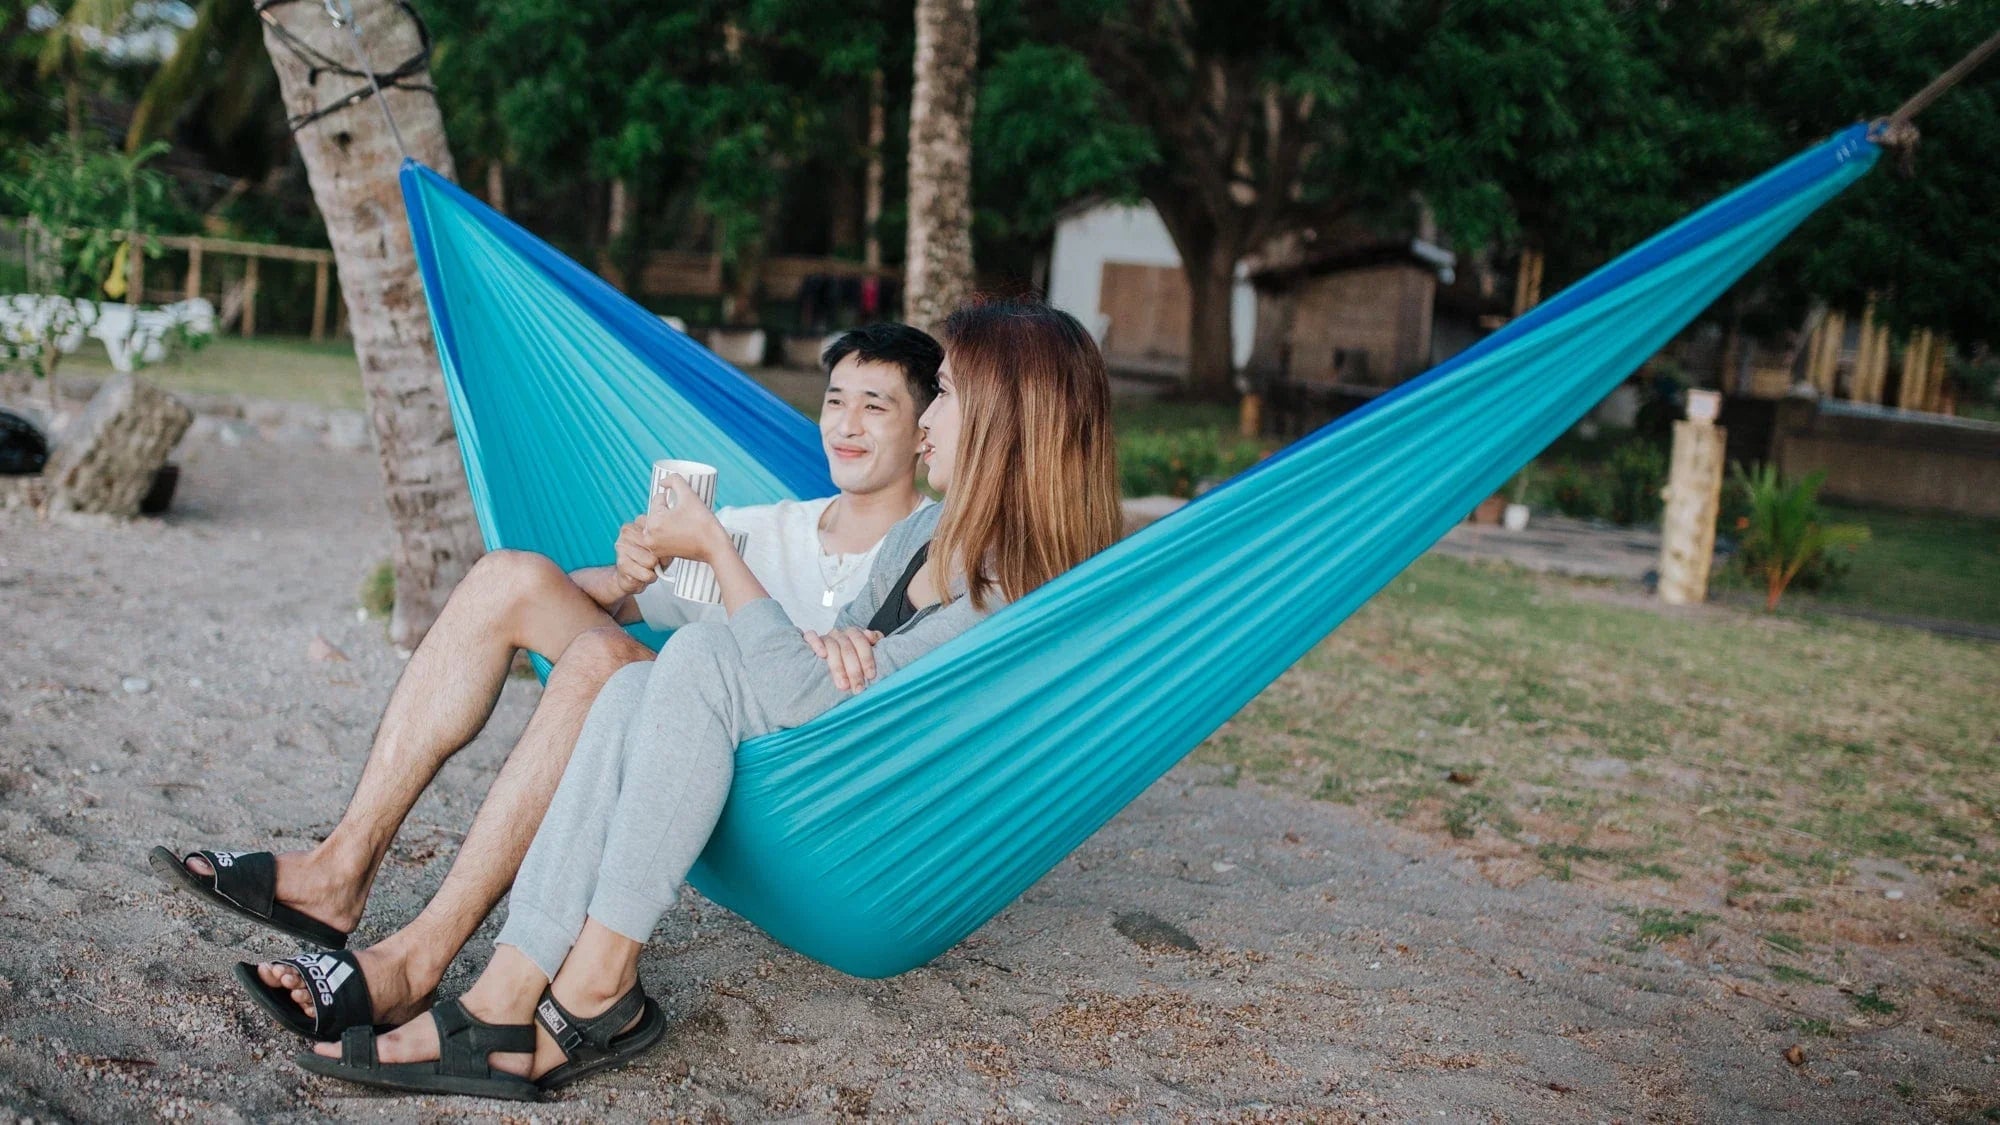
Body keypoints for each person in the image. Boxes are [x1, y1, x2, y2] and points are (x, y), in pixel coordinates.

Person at [294, 298, 1122, 1099]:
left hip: (877, 828)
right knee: (631, 682)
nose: (928, 416)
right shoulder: (924, 537)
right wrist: (821, 637)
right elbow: (834, 664)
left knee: (699, 652)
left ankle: (596, 985)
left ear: (1004, 421)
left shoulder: (1005, 594)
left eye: (940, 394)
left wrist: (722, 556)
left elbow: (817, 704)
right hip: (817, 771)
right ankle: (506, 990)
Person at [149, 324, 943, 1041]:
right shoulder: (765, 525)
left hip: (764, 777)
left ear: (924, 431)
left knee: (605, 665)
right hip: (665, 730)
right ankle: (337, 868)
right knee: (508, 577)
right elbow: (616, 599)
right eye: (836, 399)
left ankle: (412, 966)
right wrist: (631, 563)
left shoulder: (925, 555)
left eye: (876, 406)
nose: (846, 422)